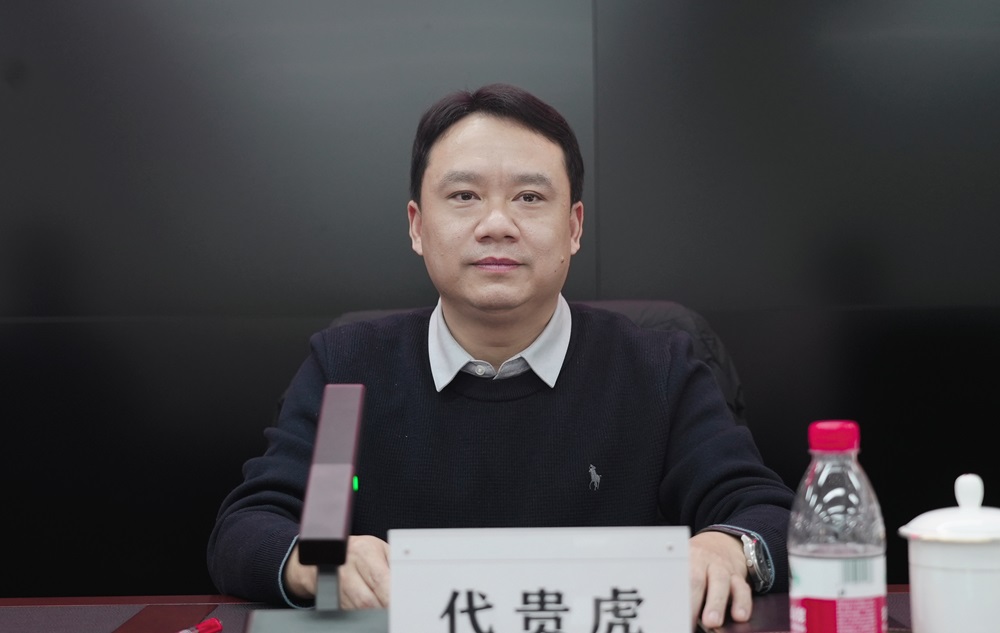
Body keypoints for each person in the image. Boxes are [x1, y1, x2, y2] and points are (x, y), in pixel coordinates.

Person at [207, 82, 794, 630]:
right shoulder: (349, 372)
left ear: (574, 227)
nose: (496, 225)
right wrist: (314, 559)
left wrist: (726, 548)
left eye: (529, 197)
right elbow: (251, 526)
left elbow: (767, 513)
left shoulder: (656, 369)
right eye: (464, 196)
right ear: (417, 226)